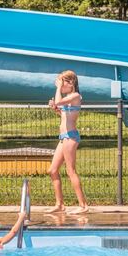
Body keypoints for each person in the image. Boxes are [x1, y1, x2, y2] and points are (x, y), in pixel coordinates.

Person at [47, 71, 89, 214]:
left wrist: (58, 89)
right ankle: (60, 204)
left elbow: (59, 101)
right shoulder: (68, 98)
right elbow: (64, 114)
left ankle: (83, 205)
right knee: (52, 170)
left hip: (71, 137)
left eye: (62, 82)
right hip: (63, 137)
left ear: (70, 83)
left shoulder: (75, 96)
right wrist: (55, 109)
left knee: (70, 171)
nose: (60, 85)